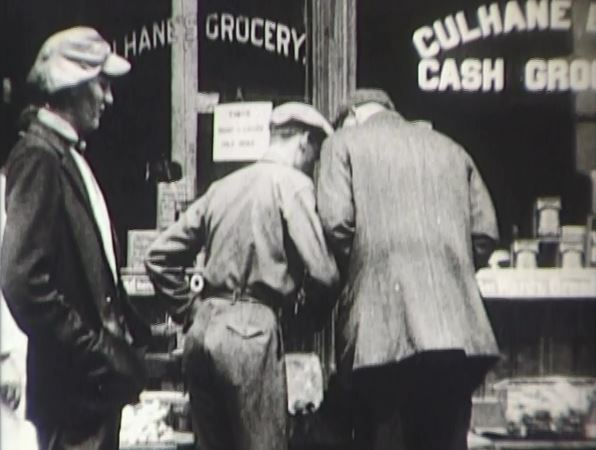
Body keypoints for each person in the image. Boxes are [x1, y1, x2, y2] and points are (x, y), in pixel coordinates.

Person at [145, 102, 339, 450]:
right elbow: (324, 275)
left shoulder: (223, 186)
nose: (314, 164)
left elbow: (158, 257)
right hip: (253, 332)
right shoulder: (293, 184)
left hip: (203, 332)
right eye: (315, 154)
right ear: (303, 142)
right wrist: (305, 324)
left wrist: (191, 311)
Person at [317, 88, 500, 450]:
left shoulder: (342, 143)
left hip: (381, 332)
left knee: (386, 437)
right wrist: (449, 276)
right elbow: (485, 234)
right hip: (456, 333)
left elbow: (336, 224)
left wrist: (366, 274)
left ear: (351, 115)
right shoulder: (450, 148)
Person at [0, 27, 150, 450]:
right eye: (101, 84)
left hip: (85, 401)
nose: (109, 97)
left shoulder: (62, 156)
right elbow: (23, 280)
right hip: (73, 404)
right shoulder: (38, 160)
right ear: (72, 86)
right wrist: (96, 354)